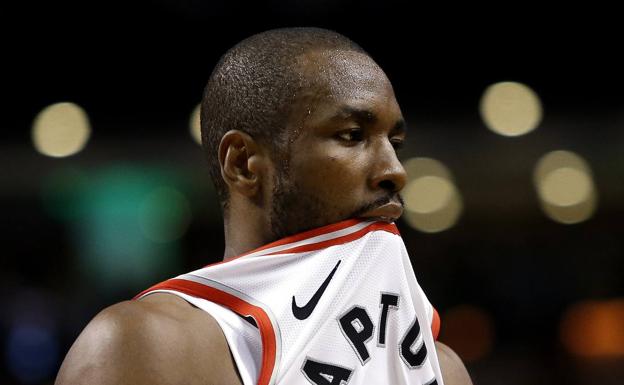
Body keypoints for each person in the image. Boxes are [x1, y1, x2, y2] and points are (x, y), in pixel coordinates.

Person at [55, 27, 473, 385]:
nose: (395, 170)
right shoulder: (150, 347)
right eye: (351, 135)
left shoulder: (445, 369)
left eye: (395, 144)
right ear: (243, 164)